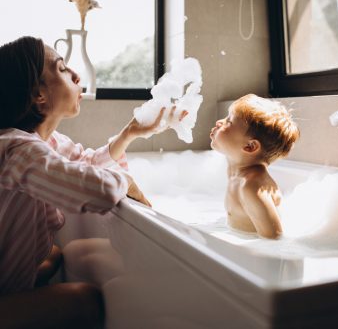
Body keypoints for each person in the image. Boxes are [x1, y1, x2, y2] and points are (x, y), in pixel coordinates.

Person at [0, 36, 186, 328]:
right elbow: (95, 189)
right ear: (39, 94)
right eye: (62, 69)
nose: (75, 74)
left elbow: (85, 164)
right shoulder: (16, 149)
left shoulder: (44, 142)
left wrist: (130, 133)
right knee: (86, 300)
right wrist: (126, 181)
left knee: (54, 256)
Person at [210, 94, 300, 239]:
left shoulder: (252, 186)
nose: (220, 122)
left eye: (229, 122)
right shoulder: (236, 169)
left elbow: (274, 238)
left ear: (250, 146)